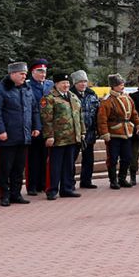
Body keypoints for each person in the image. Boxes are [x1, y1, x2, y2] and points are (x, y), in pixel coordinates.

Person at [0, 62, 41, 206]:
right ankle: (4, 195)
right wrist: (1, 130)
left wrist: (36, 126)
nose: (24, 76)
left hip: (24, 135)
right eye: (21, 74)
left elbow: (34, 109)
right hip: (8, 135)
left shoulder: (27, 88)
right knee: (6, 168)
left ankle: (16, 194)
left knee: (19, 167)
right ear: (12, 74)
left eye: (25, 74)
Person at [41, 72, 85, 200]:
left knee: (69, 165)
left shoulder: (73, 96)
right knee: (54, 165)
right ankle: (52, 189)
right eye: (63, 83)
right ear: (56, 84)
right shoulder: (49, 98)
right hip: (57, 138)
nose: (66, 85)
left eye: (67, 83)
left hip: (72, 137)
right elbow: (46, 119)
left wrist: (82, 132)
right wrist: (49, 135)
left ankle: (67, 188)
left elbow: (79, 117)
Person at [98, 74, 139, 189]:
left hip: (127, 133)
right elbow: (102, 119)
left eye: (122, 84)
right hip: (113, 133)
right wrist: (105, 133)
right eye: (119, 84)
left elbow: (134, 113)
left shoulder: (127, 97)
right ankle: (113, 180)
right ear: (113, 86)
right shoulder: (107, 100)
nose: (122, 86)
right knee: (112, 158)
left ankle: (122, 178)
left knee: (127, 157)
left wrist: (138, 125)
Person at [25, 58, 53, 195]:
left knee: (45, 157)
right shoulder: (27, 86)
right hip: (33, 128)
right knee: (32, 158)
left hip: (48, 127)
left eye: (45, 71)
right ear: (32, 72)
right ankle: (32, 186)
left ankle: (42, 184)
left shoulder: (50, 85)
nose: (43, 74)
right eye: (40, 71)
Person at [70, 71, 101, 189]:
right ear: (75, 83)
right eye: (80, 82)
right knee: (71, 158)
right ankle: (70, 182)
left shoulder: (91, 94)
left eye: (84, 81)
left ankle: (86, 181)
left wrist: (98, 129)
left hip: (90, 131)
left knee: (88, 158)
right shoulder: (70, 94)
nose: (83, 84)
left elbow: (98, 112)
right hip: (75, 133)